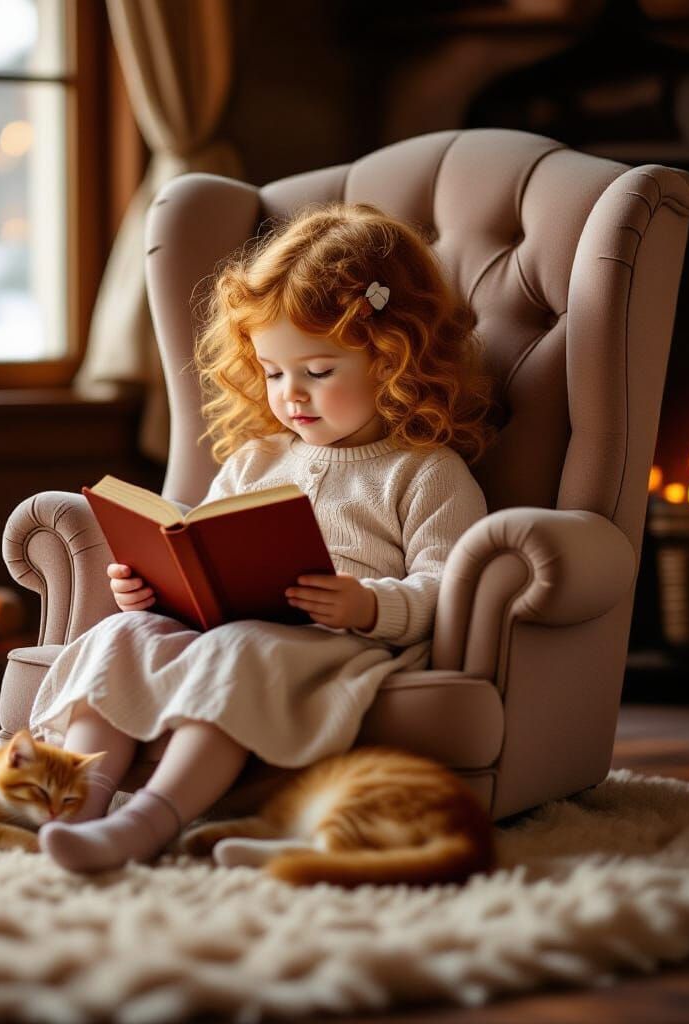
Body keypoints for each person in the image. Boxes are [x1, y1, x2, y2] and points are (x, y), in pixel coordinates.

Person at [30, 200, 494, 873]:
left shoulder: (426, 471)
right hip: (233, 629)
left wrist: (367, 604)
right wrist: (152, 588)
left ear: (395, 360)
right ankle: (80, 799)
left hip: (338, 644)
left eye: (319, 372)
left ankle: (147, 821)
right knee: (119, 635)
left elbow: (448, 584)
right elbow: (204, 542)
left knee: (242, 652)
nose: (291, 396)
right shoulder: (256, 459)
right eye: (274, 373)